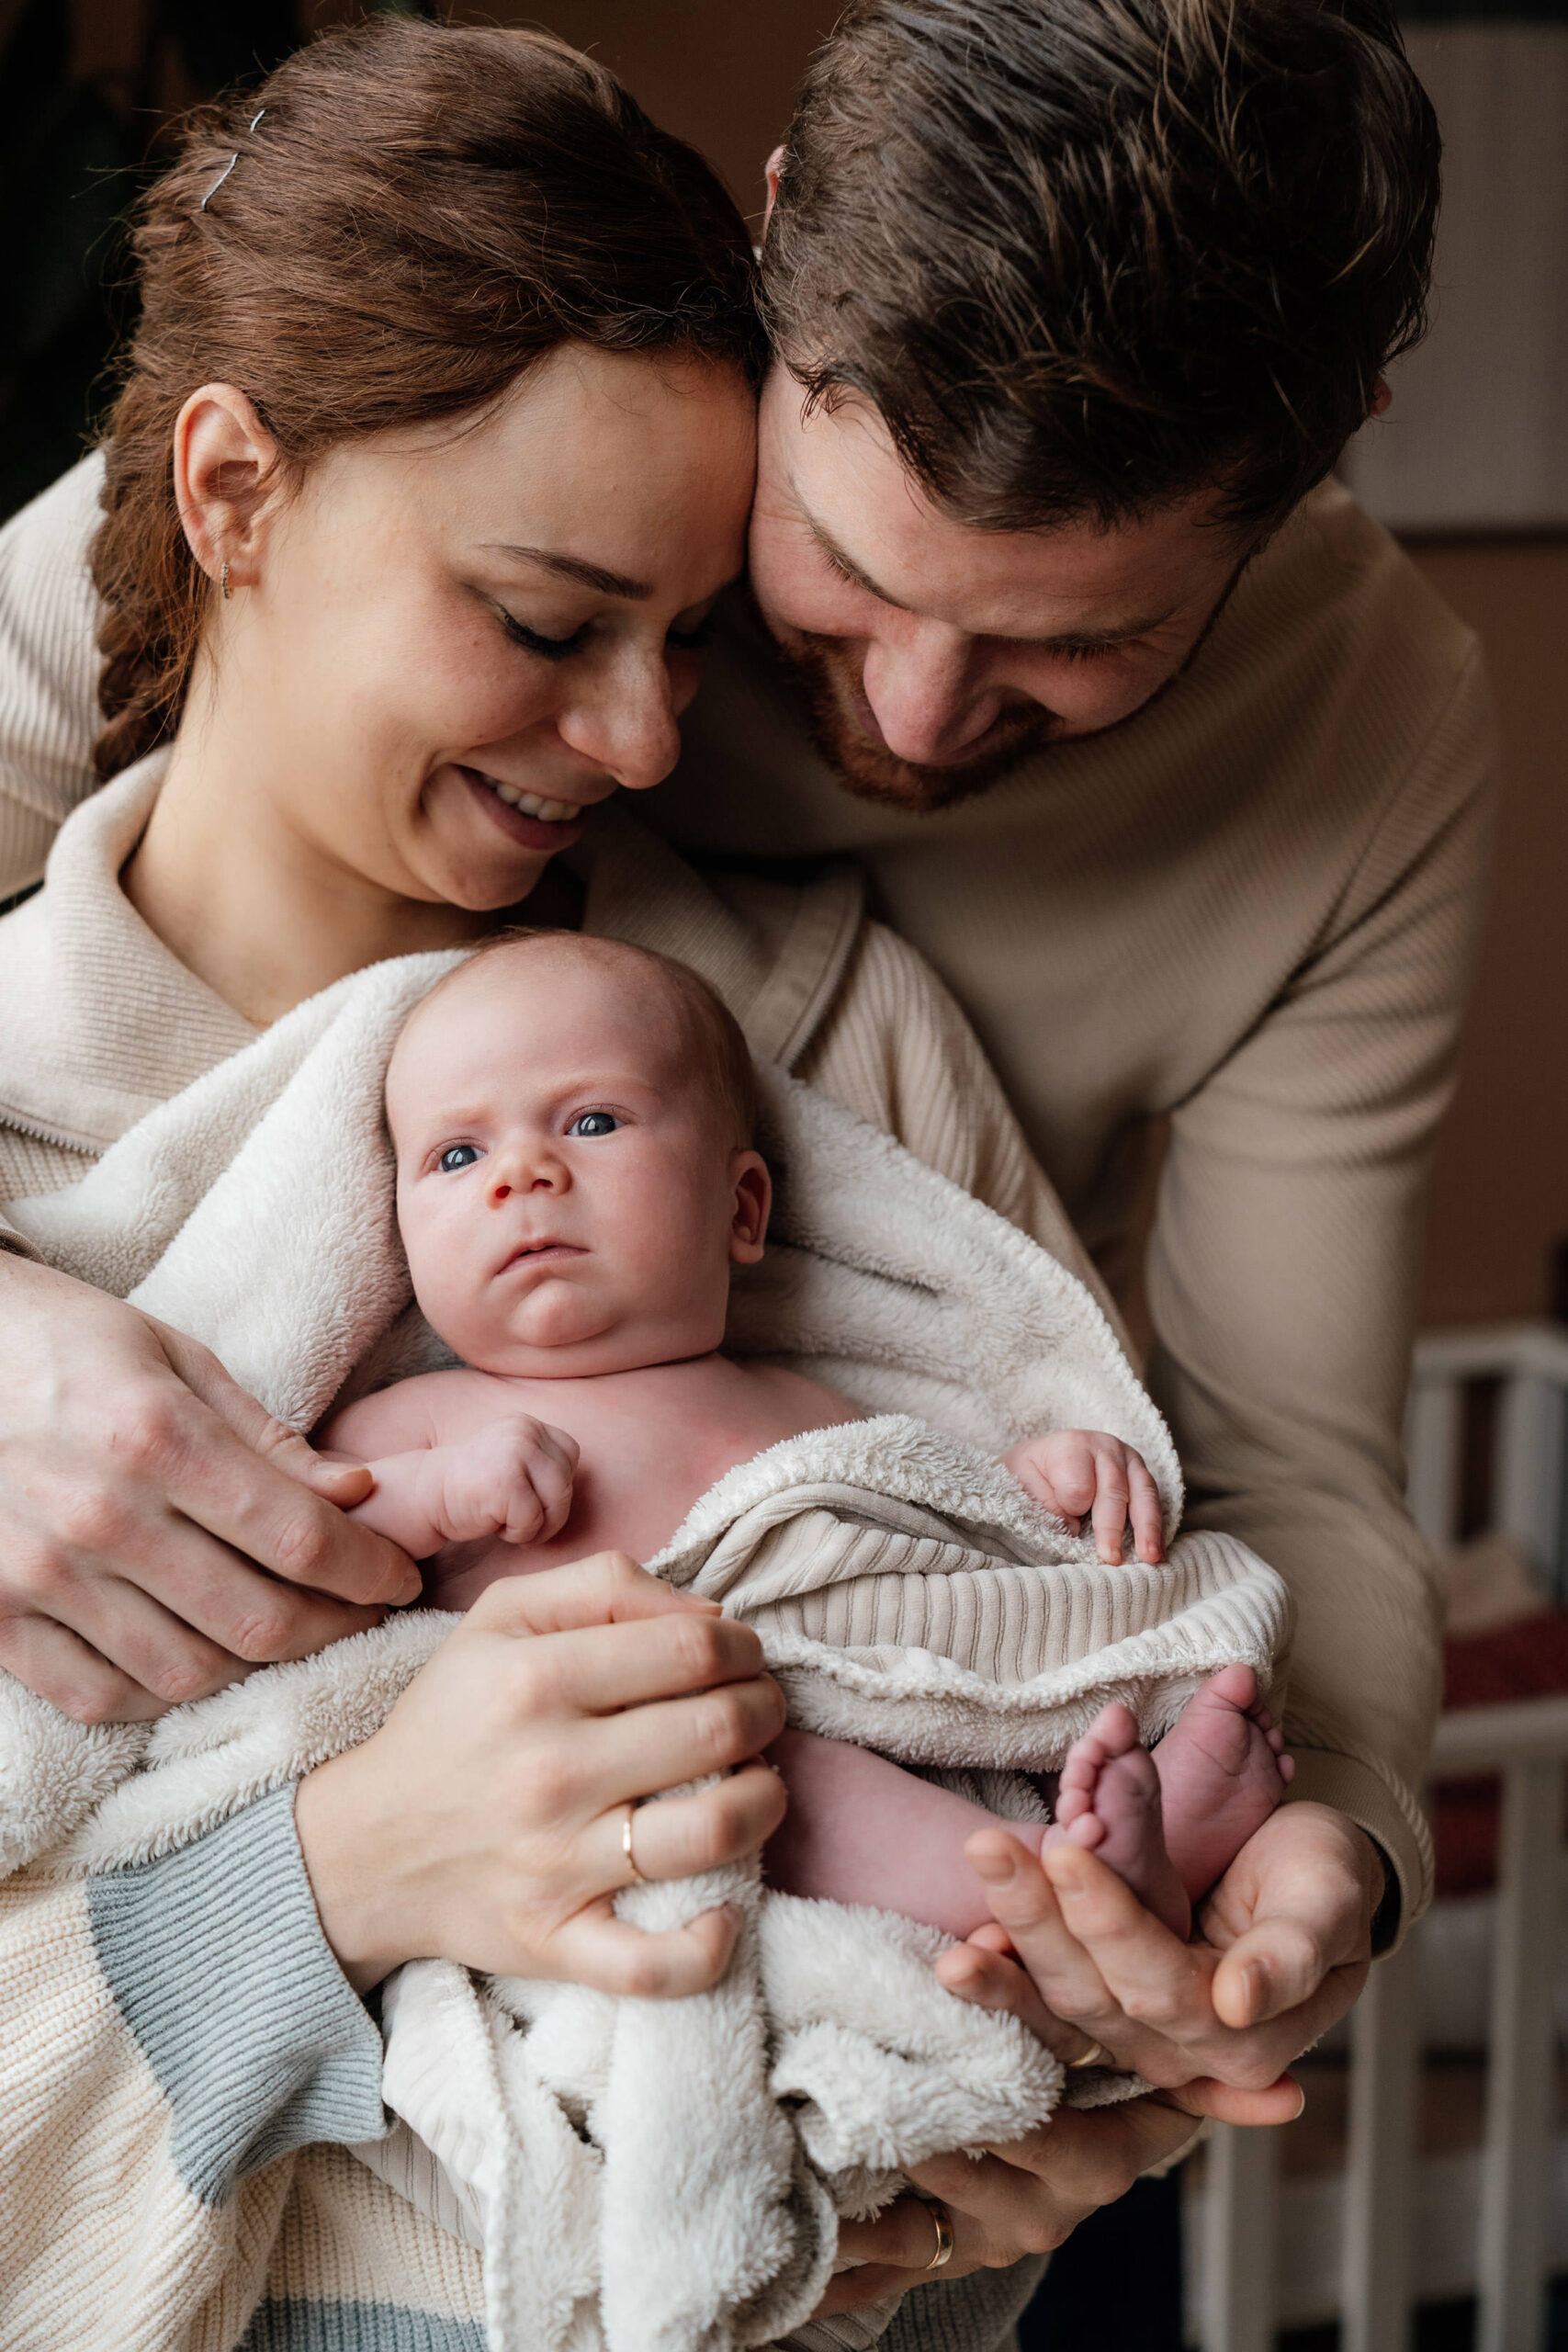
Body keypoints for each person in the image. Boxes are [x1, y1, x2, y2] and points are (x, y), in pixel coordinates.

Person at [0, 24, 1284, 2351]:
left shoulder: (815, 1051)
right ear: (231, 494)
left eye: (690, 636)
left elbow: (1073, 1651)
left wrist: (1060, 2078)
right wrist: (342, 1867)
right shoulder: (23, 1143)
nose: (640, 741)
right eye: (540, 616)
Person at [322, 927, 1292, 1945]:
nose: (521, 1173)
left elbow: (925, 1522)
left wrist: (1033, 1479)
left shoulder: (797, 1399)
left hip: (883, 1696)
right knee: (768, 1760)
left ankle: (1118, 1844)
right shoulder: (426, 1420)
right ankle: (1055, 1892)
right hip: (667, 1749)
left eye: (594, 1120)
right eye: (458, 1153)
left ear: (742, 1209)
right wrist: (438, 1495)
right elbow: (319, 1547)